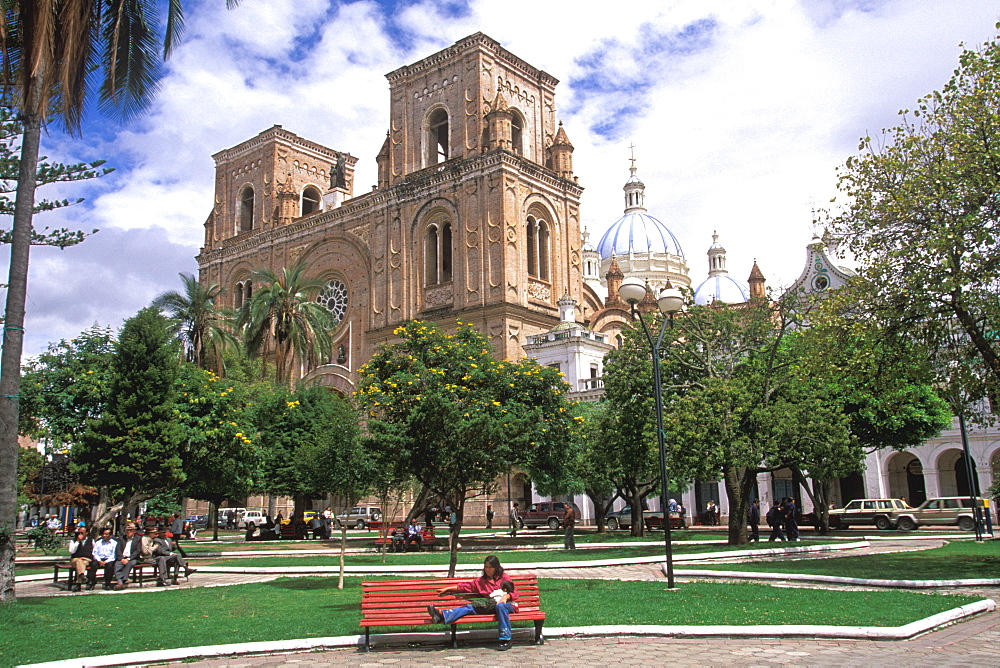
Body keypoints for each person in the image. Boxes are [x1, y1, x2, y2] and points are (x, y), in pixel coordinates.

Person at [427, 555, 519, 651]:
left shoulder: (504, 577)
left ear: (496, 567)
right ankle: (442, 615)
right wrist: (447, 589)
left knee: (500, 606)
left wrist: (505, 597)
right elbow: (464, 587)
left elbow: (515, 593)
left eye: (490, 567)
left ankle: (505, 639)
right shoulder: (481, 581)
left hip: (507, 606)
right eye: (486, 567)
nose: (488, 570)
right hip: (490, 606)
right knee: (470, 607)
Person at [114, 523, 142, 589]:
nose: (128, 532)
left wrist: (128, 559)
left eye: (130, 530)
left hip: (132, 558)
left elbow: (137, 551)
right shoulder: (121, 538)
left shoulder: (138, 539)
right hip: (123, 557)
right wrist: (121, 559)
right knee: (117, 564)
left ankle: (124, 580)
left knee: (130, 563)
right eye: (127, 530)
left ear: (134, 531)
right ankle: (120, 582)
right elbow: (118, 549)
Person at [67, 527, 94, 592]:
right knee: (79, 561)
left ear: (86, 533)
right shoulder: (73, 541)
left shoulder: (91, 540)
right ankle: (82, 577)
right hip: (75, 559)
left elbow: (94, 551)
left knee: (80, 563)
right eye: (79, 533)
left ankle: (78, 584)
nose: (80, 534)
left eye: (82, 533)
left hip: (86, 559)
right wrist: (78, 541)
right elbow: (71, 551)